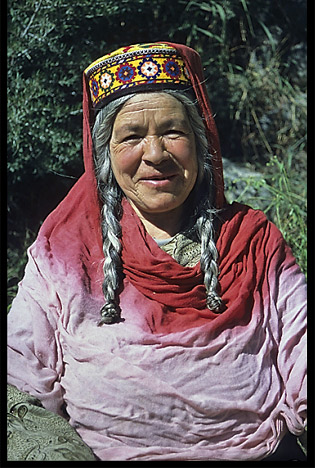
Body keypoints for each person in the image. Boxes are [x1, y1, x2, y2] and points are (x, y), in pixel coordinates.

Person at [7, 42, 307, 461]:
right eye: (131, 136)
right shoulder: (65, 252)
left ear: (200, 144)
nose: (155, 154)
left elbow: (302, 347)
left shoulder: (253, 240)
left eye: (172, 131)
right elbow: (18, 381)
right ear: (105, 154)